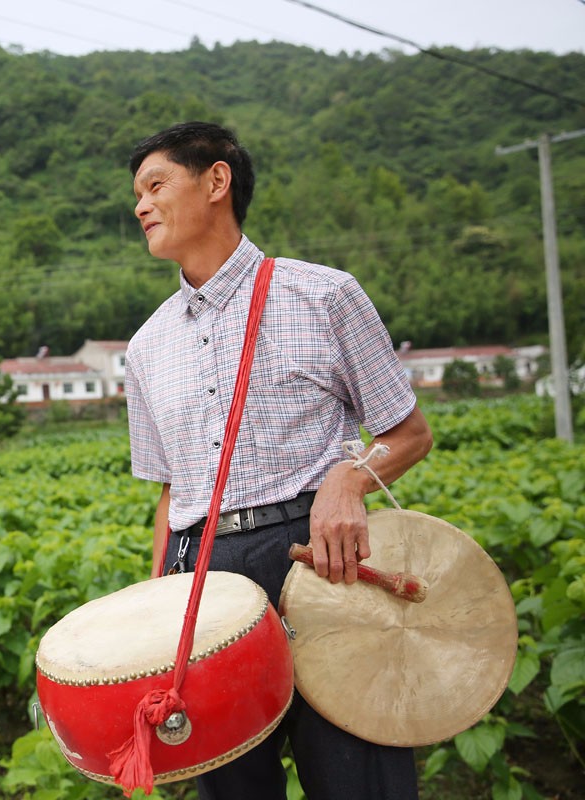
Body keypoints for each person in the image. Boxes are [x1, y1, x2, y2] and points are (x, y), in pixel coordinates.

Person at [123, 121, 434, 800]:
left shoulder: (323, 295)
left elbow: (407, 433)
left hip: (319, 559)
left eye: (155, 186)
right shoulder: (145, 347)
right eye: (136, 194)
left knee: (360, 777)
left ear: (216, 181)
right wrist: (156, 615)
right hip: (203, 578)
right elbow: (172, 493)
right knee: (232, 788)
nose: (140, 206)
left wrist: (349, 478)